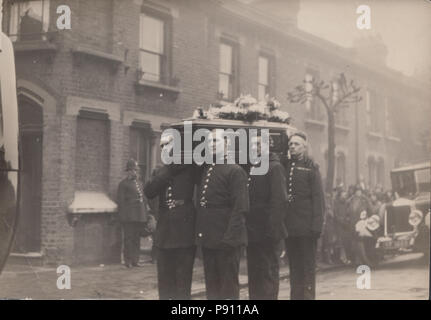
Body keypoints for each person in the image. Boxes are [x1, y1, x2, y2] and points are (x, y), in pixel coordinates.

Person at [196, 129, 249, 300]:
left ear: (226, 145)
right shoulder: (208, 168)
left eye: (216, 141)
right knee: (212, 285)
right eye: (209, 141)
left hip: (226, 238)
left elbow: (240, 208)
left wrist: (230, 238)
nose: (211, 145)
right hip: (210, 237)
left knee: (228, 287)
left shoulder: (235, 170)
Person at [144, 133, 198, 300]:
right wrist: (166, 170)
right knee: (165, 278)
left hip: (184, 228)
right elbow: (150, 192)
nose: (164, 149)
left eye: (168, 145)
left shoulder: (190, 166)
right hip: (165, 230)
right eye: (162, 146)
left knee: (182, 279)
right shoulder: (163, 171)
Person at [283, 132, 325, 300]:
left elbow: (318, 199)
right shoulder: (285, 165)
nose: (293, 146)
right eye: (291, 144)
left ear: (304, 147)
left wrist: (316, 226)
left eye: (297, 144)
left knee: (307, 268)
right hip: (290, 228)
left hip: (307, 229)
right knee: (294, 268)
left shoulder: (311, 167)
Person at [246, 135, 288, 300]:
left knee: (268, 273)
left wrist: (273, 230)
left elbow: (279, 201)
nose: (255, 147)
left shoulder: (274, 167)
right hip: (253, 231)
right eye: (253, 144)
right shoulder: (254, 167)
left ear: (268, 146)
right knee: (255, 274)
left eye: (259, 144)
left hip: (268, 232)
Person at [117, 159, 149, 268]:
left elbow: (144, 199)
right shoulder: (123, 184)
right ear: (128, 171)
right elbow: (121, 202)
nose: (136, 172)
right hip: (129, 216)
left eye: (137, 170)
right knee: (128, 239)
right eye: (134, 170)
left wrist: (146, 213)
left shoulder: (140, 183)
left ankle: (136, 260)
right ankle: (128, 261)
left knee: (136, 239)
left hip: (139, 216)